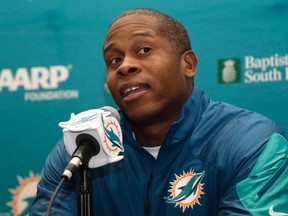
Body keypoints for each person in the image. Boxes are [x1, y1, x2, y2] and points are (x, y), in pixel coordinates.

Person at [30, 8, 288, 215]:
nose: (124, 67)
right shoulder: (82, 148)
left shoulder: (253, 142)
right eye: (114, 60)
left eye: (144, 50)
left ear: (188, 64)